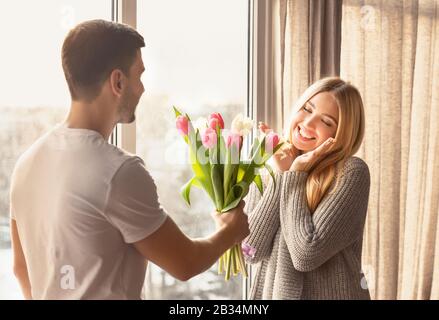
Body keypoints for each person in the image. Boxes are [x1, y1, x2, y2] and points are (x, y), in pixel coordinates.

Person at [9, 19, 249, 300]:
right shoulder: (118, 171)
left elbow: (20, 268)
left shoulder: (26, 164)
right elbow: (185, 263)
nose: (143, 88)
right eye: (140, 75)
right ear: (118, 82)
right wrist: (230, 231)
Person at [243, 77, 371, 299]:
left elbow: (305, 254)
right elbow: (250, 251)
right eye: (307, 109)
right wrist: (282, 174)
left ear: (341, 135)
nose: (309, 123)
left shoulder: (352, 172)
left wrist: (294, 175)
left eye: (326, 121)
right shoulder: (269, 171)